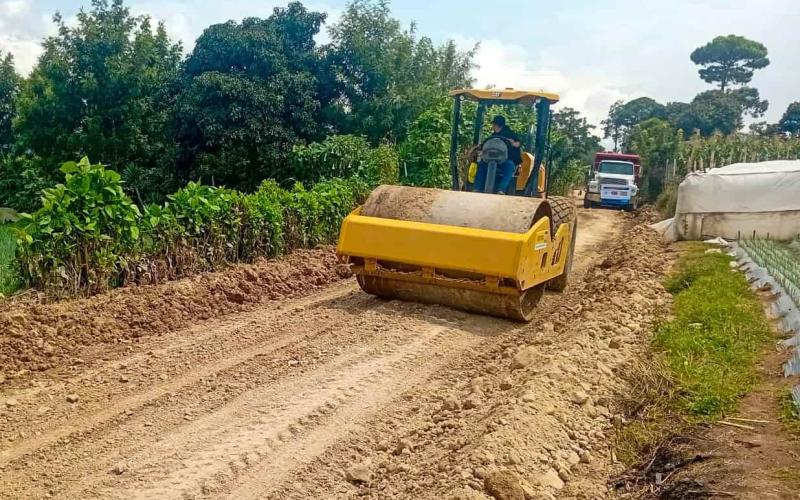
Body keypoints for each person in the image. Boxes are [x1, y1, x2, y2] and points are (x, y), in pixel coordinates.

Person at [473, 115, 522, 194]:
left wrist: (512, 143)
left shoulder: (510, 134)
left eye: (493, 124)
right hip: (491, 160)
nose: (493, 126)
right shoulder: (493, 136)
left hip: (505, 160)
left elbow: (518, 143)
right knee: (481, 164)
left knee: (509, 166)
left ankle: (501, 189)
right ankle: (477, 188)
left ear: (497, 125)